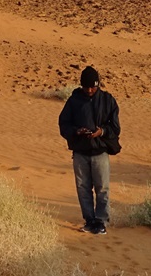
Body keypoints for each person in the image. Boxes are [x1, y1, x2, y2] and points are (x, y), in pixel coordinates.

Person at [58, 65, 121, 235]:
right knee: (83, 188)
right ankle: (89, 220)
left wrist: (102, 131)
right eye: (87, 87)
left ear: (98, 84)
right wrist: (76, 131)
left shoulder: (108, 100)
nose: (90, 90)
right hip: (80, 152)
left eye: (93, 86)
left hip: (100, 151)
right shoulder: (74, 101)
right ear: (81, 85)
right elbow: (64, 124)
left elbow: (115, 127)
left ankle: (101, 221)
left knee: (102, 188)